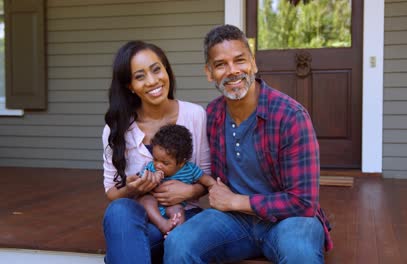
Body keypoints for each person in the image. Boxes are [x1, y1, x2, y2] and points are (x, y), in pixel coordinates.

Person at [164, 24, 333, 264]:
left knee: (300, 254)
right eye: (221, 64)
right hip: (233, 221)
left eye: (239, 60)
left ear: (253, 63)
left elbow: (303, 202)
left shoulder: (290, 116)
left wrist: (236, 201)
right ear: (209, 72)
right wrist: (189, 190)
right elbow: (200, 171)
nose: (232, 71)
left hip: (288, 220)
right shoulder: (211, 115)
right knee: (179, 243)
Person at [102, 40, 210, 264]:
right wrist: (131, 189)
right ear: (130, 85)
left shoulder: (195, 115)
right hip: (140, 214)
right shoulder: (117, 128)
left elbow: (206, 176)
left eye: (156, 69)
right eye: (139, 76)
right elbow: (111, 192)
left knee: (121, 253)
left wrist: (188, 192)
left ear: (166, 70)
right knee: (119, 209)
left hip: (185, 213)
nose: (152, 81)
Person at [137, 124, 215, 234]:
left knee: (178, 210)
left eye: (165, 163)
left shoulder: (190, 169)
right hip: (153, 208)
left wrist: (215, 186)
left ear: (181, 162)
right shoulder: (150, 167)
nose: (158, 165)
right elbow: (139, 182)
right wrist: (150, 179)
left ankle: (176, 233)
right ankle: (162, 224)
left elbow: (207, 180)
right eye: (155, 159)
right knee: (146, 200)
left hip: (173, 205)